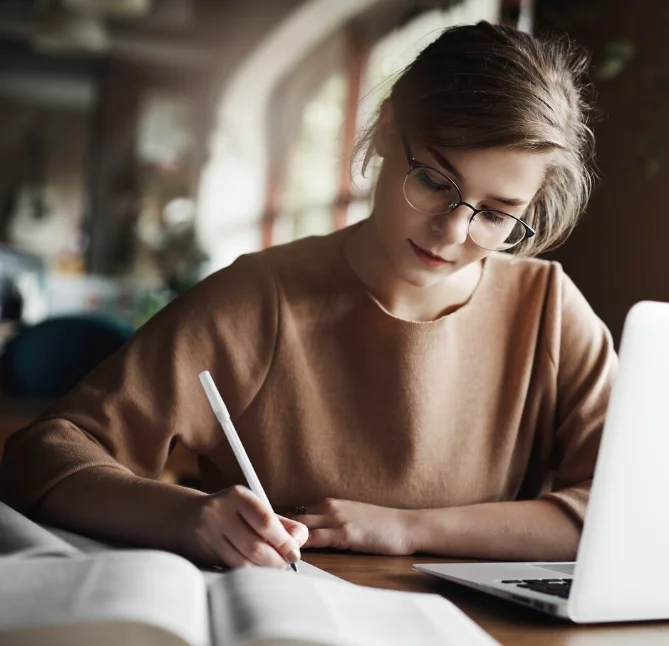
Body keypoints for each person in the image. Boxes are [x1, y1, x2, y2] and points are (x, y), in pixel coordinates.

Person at [0, 21, 616, 570]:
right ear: (385, 133)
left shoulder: (550, 313)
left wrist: (405, 530)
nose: (454, 232)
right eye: (434, 181)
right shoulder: (260, 297)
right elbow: (43, 456)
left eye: (498, 213)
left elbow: (617, 511)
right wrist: (183, 517)